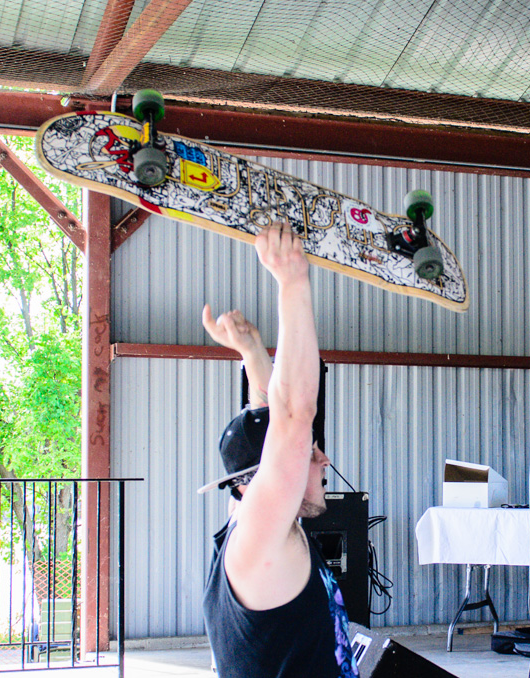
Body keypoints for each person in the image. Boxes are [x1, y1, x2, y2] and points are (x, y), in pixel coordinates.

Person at [199, 223, 358, 678]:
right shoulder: (259, 538)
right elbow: (291, 416)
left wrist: (252, 354)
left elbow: (271, 419)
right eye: (309, 453)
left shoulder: (246, 521)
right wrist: (292, 282)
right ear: (260, 480)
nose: (324, 460)